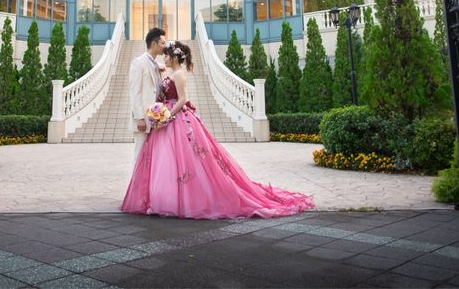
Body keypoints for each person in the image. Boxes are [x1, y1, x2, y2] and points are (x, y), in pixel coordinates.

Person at [121, 40, 314, 219]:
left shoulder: (179, 75)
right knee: (166, 161)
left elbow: (183, 99)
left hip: (176, 119)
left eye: (167, 55)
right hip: (165, 121)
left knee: (184, 159)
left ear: (174, 57)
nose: (164, 58)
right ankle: (164, 197)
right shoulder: (170, 73)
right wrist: (159, 112)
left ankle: (183, 199)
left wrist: (168, 115)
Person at [128, 27, 166, 163]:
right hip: (143, 119)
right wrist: (139, 118)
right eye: (162, 43)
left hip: (155, 119)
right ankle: (134, 178)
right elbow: (135, 92)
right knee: (139, 155)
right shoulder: (139, 62)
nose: (164, 46)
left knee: (153, 158)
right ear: (154, 44)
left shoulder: (156, 64)